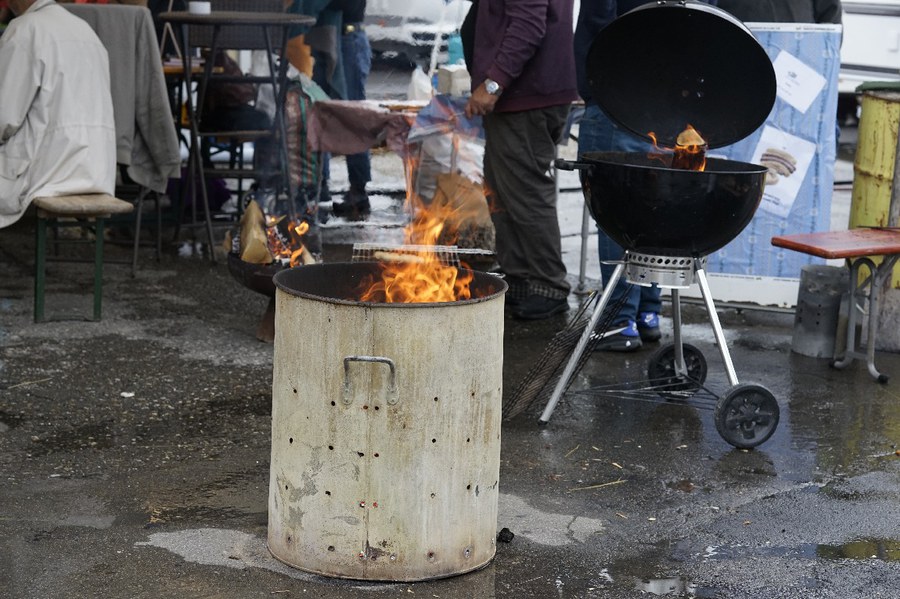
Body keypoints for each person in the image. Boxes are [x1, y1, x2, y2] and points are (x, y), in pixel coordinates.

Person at [573, 0, 718, 351]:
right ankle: (646, 314)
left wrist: (596, 84)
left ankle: (619, 321)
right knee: (654, 210)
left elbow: (600, 20)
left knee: (616, 213)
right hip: (671, 103)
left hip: (618, 97)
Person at [464, 0, 579, 320]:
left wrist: (494, 83)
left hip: (525, 94)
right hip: (522, 94)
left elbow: (528, 24)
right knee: (502, 190)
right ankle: (520, 279)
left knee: (526, 192)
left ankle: (548, 284)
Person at [0, 0, 116, 229]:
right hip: (97, 171)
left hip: (49, 171)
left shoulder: (25, 29)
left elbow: (4, 117)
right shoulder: (85, 29)